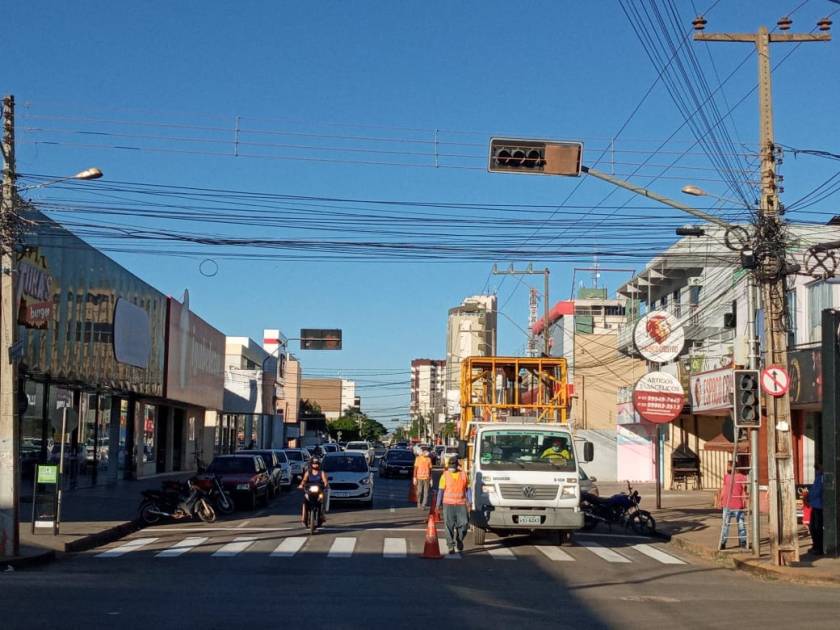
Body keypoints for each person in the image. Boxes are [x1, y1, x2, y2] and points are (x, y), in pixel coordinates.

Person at [436, 456, 472, 554]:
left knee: (464, 524)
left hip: (461, 504)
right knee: (449, 526)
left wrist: (470, 502)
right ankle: (450, 546)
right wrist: (437, 505)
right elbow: (440, 491)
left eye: (453, 466)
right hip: (448, 504)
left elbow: (468, 489)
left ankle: (459, 539)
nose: (451, 468)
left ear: (457, 466)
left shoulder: (464, 475)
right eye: (450, 466)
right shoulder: (445, 475)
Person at [719, 460, 748, 550]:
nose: (727, 468)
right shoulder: (726, 476)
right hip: (727, 504)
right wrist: (720, 500)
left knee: (741, 524)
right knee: (725, 525)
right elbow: (724, 489)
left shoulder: (742, 477)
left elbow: (744, 490)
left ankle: (743, 542)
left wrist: (745, 500)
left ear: (734, 467)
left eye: (729, 466)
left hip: (738, 505)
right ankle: (723, 543)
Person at [299, 456, 329, 525]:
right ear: (311, 464)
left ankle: (322, 515)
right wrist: (301, 485)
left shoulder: (321, 472)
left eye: (317, 464)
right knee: (305, 501)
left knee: (323, 500)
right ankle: (303, 517)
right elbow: (304, 480)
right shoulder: (308, 472)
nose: (315, 465)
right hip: (309, 491)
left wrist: (326, 485)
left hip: (319, 491)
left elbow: (325, 481)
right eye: (314, 464)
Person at [808, 463, 824, 556]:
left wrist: (810, 497)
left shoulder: (822, 477)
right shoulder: (818, 477)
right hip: (815, 505)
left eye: (817, 468)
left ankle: (819, 547)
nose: (816, 470)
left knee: (817, 528)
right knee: (813, 527)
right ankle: (816, 546)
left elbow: (817, 491)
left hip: (819, 506)